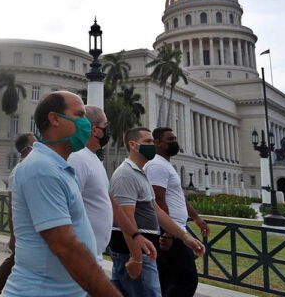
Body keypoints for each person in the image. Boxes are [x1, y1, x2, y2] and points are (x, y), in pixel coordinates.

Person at [4, 92, 121, 297]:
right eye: (79, 115)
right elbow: (65, 245)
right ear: (55, 118)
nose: (86, 124)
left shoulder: (60, 168)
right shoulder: (41, 168)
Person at [108, 127, 205, 297]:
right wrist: (136, 257)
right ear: (133, 145)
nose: (152, 145)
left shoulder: (140, 173)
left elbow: (156, 211)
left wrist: (186, 237)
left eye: (152, 141)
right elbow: (126, 219)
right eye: (147, 142)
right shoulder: (125, 175)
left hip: (144, 251)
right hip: (135, 252)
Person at [66, 105, 157, 265]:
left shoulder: (93, 159)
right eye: (106, 126)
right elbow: (68, 207)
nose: (109, 130)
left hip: (93, 255)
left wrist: (135, 235)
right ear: (95, 130)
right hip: (80, 257)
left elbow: (110, 203)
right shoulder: (78, 159)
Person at [144, 127, 210, 297]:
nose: (175, 142)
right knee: (186, 279)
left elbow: (179, 196)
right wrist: (168, 233)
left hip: (177, 229)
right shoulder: (157, 165)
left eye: (174, 138)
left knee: (167, 278)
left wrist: (196, 218)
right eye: (170, 139)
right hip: (172, 232)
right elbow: (158, 199)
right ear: (157, 142)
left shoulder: (165, 164)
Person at [0, 132, 35, 297]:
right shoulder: (18, 171)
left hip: (31, 228)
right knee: (13, 262)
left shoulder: (31, 167)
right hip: (24, 229)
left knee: (16, 263)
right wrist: (13, 235)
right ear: (27, 149)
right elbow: (11, 205)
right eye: (35, 144)